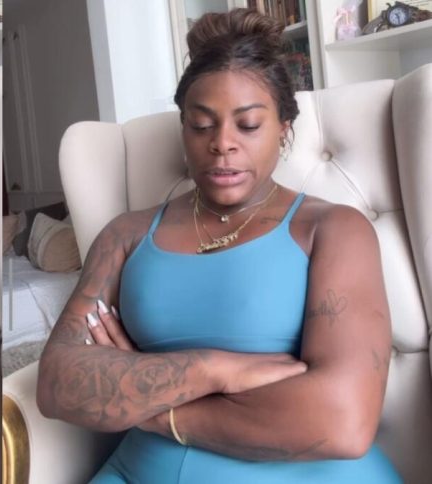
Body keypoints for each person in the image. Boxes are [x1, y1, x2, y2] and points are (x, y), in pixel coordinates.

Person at [36, 9, 401, 483]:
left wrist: (148, 403)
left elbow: (343, 422)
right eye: (201, 125)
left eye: (247, 125)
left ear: (284, 128)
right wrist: (214, 370)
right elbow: (56, 383)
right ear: (183, 129)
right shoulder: (125, 235)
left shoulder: (333, 229)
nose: (222, 144)